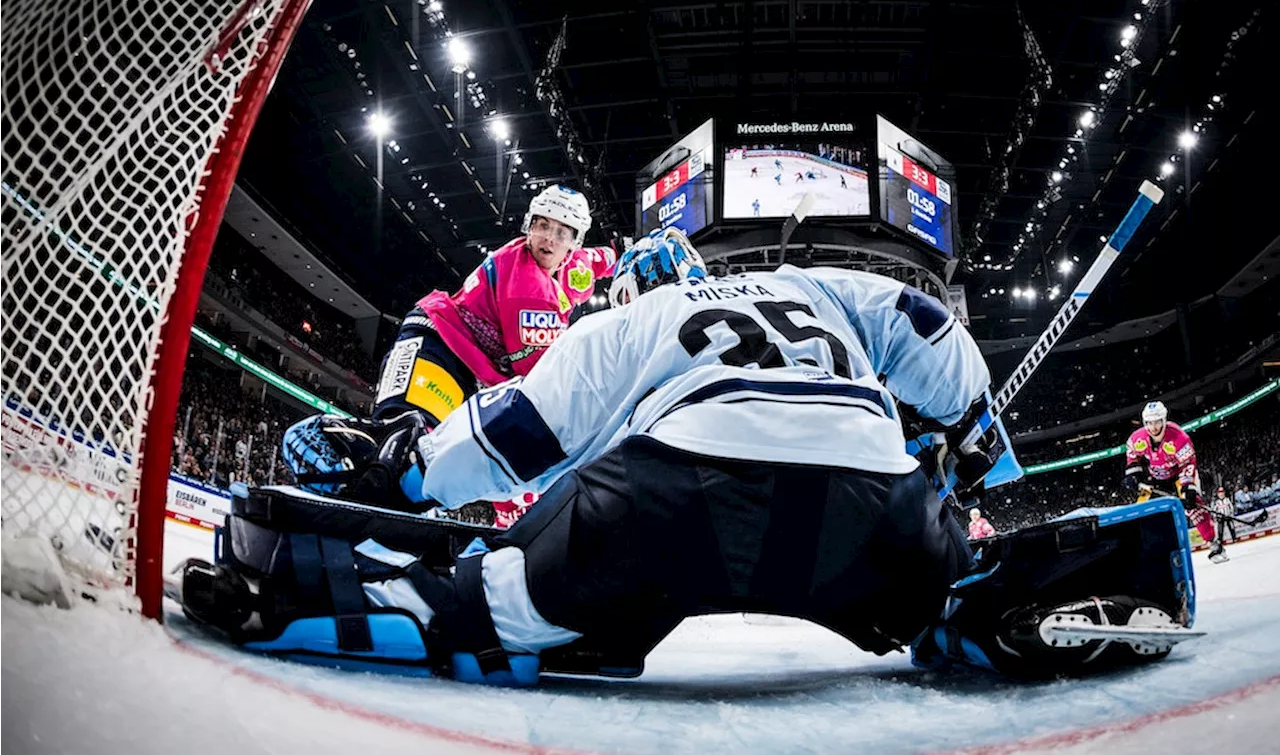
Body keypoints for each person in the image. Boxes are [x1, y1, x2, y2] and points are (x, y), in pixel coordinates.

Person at [185, 228, 1203, 687]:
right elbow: (929, 330)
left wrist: (402, 469)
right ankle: (1032, 593)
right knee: (943, 596)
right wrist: (976, 441)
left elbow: (510, 440)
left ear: (628, 282)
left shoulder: (624, 323)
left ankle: (285, 578)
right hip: (870, 500)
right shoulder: (818, 286)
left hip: (665, 501)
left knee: (480, 599)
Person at [280, 185, 616, 517]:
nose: (549, 239)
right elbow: (540, 384)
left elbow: (599, 260)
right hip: (436, 346)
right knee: (404, 441)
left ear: (575, 243)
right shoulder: (530, 292)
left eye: (561, 232)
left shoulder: (574, 266)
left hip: (462, 362)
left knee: (425, 454)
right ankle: (339, 480)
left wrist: (621, 254)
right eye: (543, 225)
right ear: (529, 225)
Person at [1123, 401, 1227, 562]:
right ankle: (1142, 551)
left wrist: (1187, 487)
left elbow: (1188, 463)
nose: (1154, 427)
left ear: (1164, 420)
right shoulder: (1138, 438)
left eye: (1157, 422)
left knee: (1194, 506)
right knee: (1140, 509)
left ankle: (1214, 545)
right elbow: (1132, 454)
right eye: (1149, 423)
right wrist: (1133, 472)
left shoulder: (1179, 438)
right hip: (1154, 478)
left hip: (1179, 475)